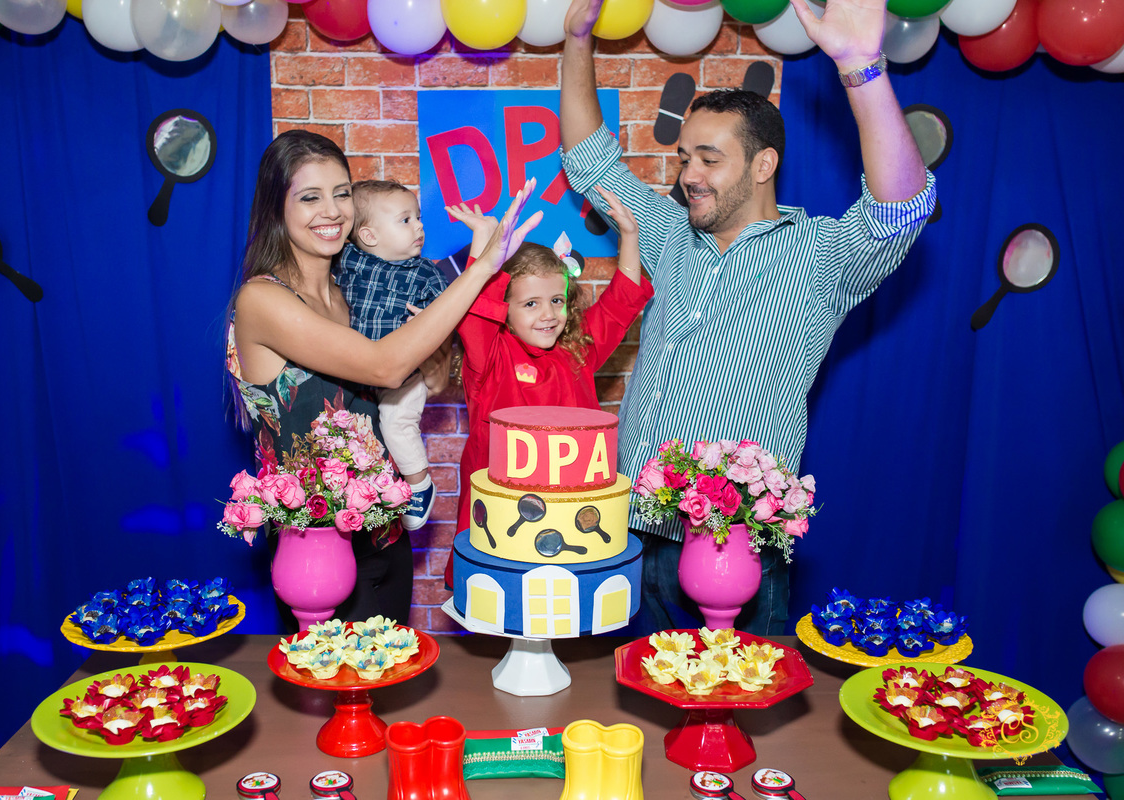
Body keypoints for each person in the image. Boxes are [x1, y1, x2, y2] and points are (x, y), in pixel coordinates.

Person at [558, 0, 936, 635]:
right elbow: (588, 162)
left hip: (737, 544)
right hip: (634, 533)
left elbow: (900, 209)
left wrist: (861, 68)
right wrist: (576, 39)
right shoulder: (667, 230)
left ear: (764, 165)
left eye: (709, 159)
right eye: (685, 158)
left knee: (741, 690)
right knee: (638, 692)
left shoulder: (817, 254)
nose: (689, 175)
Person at [226, 130, 540, 624]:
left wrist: (436, 365)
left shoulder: (353, 287)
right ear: (275, 208)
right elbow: (384, 366)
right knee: (340, 673)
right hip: (316, 547)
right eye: (310, 197)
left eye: (341, 194)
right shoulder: (263, 300)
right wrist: (481, 269)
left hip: (386, 534)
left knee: (393, 671)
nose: (332, 211)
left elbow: (425, 379)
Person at [442, 187, 655, 588]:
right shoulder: (490, 357)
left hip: (568, 522)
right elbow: (475, 314)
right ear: (503, 308)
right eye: (531, 304)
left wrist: (629, 235)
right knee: (500, 598)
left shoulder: (577, 350)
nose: (548, 314)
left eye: (557, 300)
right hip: (503, 526)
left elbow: (621, 302)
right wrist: (484, 245)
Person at [334, 180, 450, 531]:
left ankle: (419, 484)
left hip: (406, 374)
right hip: (359, 368)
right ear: (368, 236)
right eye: (406, 220)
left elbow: (449, 318)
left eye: (418, 218)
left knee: (397, 420)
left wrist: (429, 325)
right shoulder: (349, 260)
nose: (419, 227)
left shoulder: (426, 274)